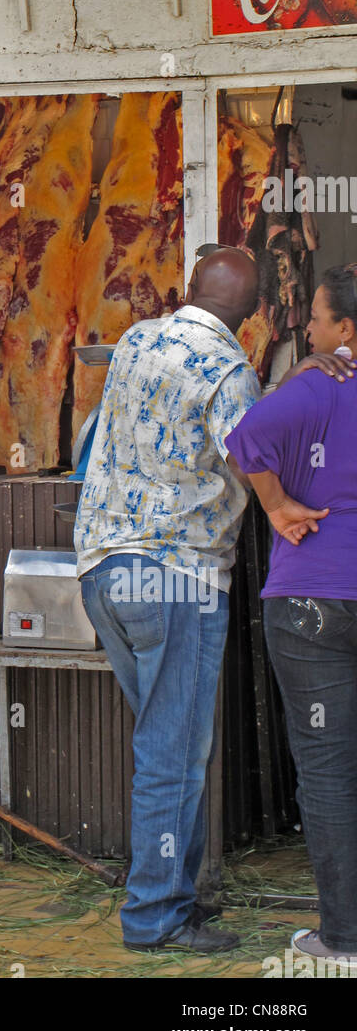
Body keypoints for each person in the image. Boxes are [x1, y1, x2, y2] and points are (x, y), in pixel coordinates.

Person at [74, 248, 264, 953]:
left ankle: (178, 893)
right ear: (252, 318)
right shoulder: (230, 372)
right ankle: (155, 916)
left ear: (187, 290)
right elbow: (255, 462)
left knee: (167, 744)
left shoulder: (134, 340)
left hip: (103, 572)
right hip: (177, 577)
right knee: (171, 755)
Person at [226, 265, 357, 968]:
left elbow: (245, 439)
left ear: (346, 331)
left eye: (318, 319)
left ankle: (343, 939)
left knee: (331, 770)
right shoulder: (319, 375)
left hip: (312, 603)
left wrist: (276, 506)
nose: (306, 328)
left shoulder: (315, 384)